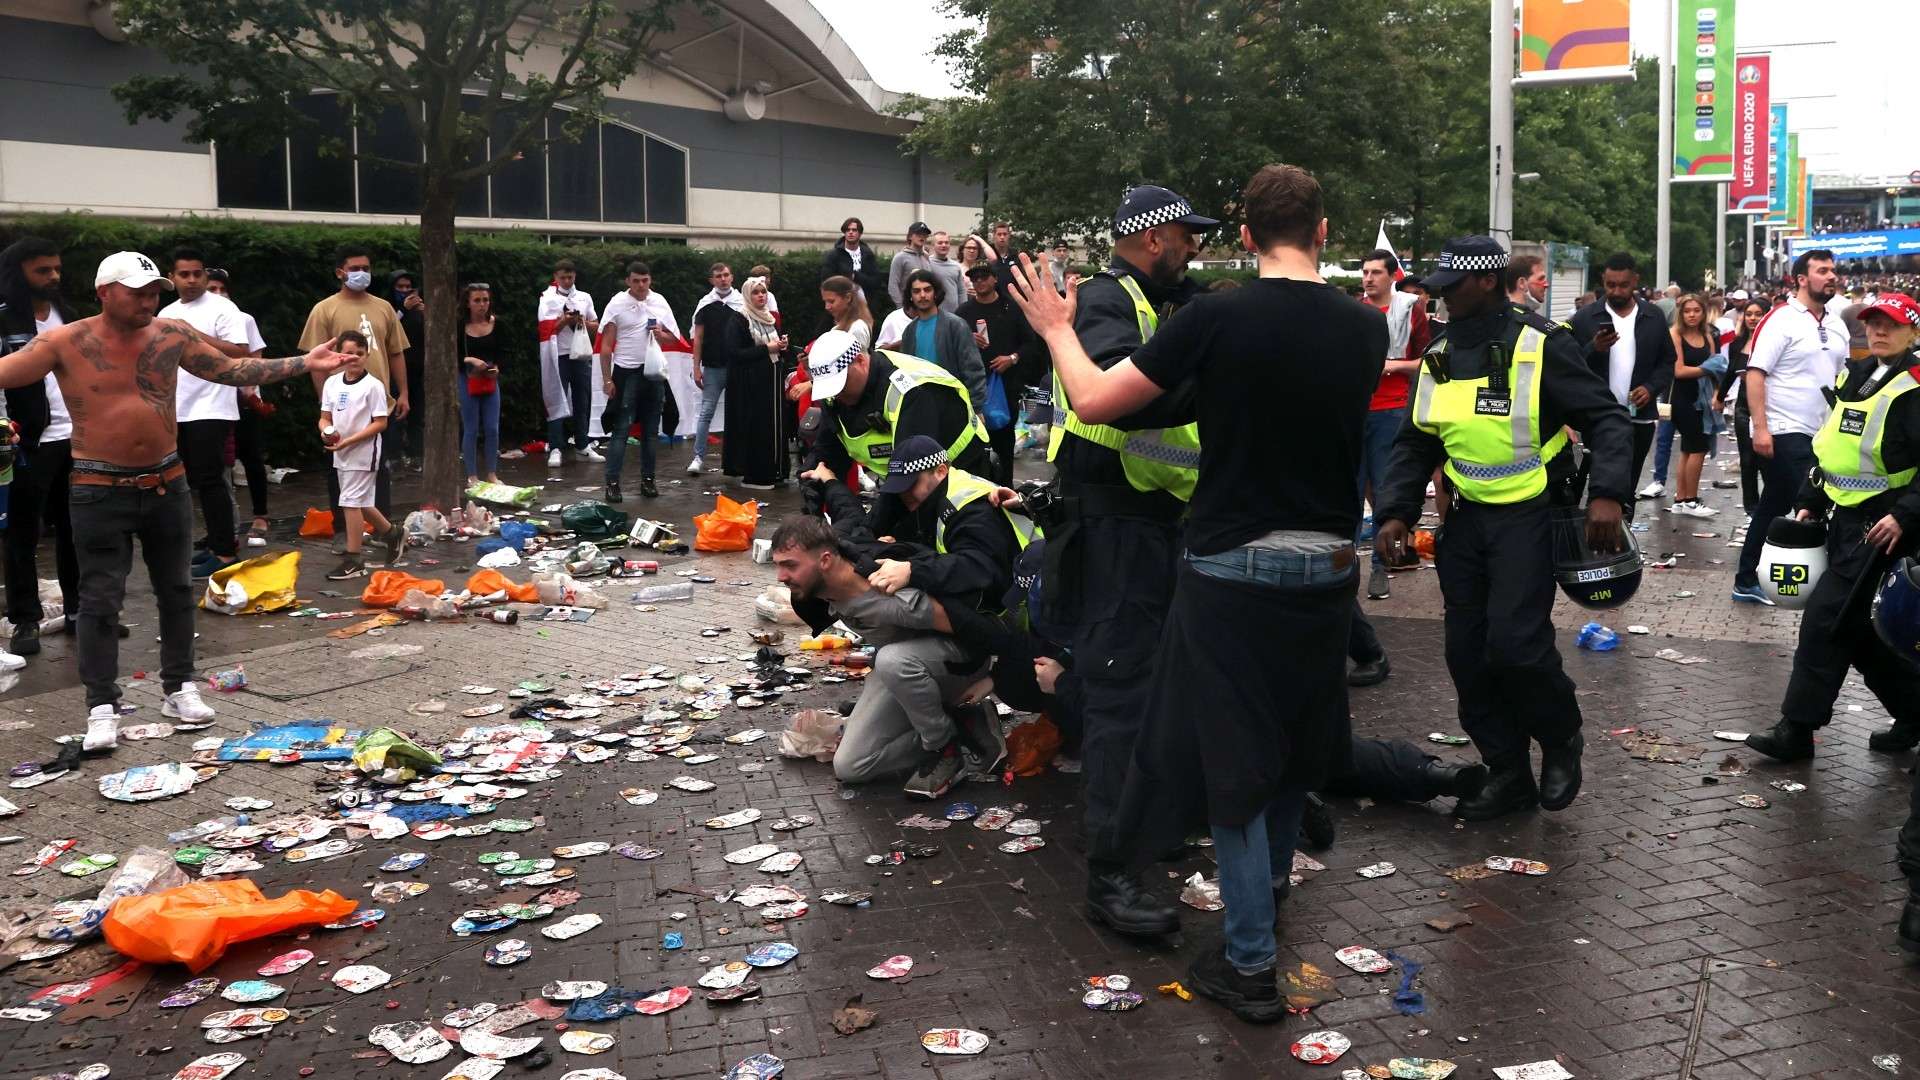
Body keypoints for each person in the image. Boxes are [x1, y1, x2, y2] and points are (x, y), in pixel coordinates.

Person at [1011, 163, 1378, 1023]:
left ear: (1247, 238)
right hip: (1328, 566)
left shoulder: (1213, 317)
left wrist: (1058, 328)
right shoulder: (1364, 327)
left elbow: (1098, 399)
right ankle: (1272, 894)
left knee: (1238, 766)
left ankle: (1249, 962)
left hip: (1232, 567)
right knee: (1294, 747)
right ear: (1323, 233)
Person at [0, 251, 348, 752]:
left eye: (153, 292)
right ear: (104, 292)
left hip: (166, 482)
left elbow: (231, 369)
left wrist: (305, 363)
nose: (149, 300)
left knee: (177, 590)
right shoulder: (65, 340)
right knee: (99, 600)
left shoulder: (171, 334)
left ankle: (179, 687)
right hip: (98, 489)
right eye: (138, 291)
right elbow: (9, 371)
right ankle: (101, 706)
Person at [1374, 236, 1633, 823]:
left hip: (1531, 513)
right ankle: (1508, 771)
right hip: (1466, 518)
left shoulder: (1542, 344)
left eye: (1450, 286)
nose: (1438, 298)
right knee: (1467, 654)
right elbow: (1418, 439)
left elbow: (1606, 419)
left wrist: (1609, 498)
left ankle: (1561, 734)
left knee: (1516, 645)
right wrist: (1396, 510)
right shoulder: (1439, 351)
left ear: (1486, 282)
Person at [1021, 184, 1207, 941]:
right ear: (1156, 237)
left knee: (1170, 684)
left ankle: (1159, 824)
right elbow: (1115, 391)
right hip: (1116, 529)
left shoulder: (1177, 299)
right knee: (1120, 699)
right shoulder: (1104, 300)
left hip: (1167, 523)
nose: (1197, 248)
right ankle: (1111, 875)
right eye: (1189, 236)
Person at [1742, 291, 1920, 775]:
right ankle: (1914, 711)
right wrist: (1807, 500)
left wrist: (1906, 515)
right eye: (1872, 323)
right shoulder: (1856, 376)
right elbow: (1832, 450)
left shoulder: (1915, 386)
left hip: (1886, 530)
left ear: (1913, 332)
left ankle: (1796, 730)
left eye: (1890, 325)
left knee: (1825, 621)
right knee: (1862, 633)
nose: (1878, 332)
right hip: (1844, 523)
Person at [769, 513, 996, 797]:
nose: (781, 577)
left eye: (790, 566)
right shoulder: (818, 589)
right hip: (904, 670)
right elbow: (846, 517)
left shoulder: (889, 596)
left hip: (957, 664)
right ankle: (962, 725)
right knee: (850, 766)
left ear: (825, 560)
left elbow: (978, 628)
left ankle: (945, 748)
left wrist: (994, 677)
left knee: (891, 660)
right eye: (778, 566)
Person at [1733, 249, 1848, 605]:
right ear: (1801, 279)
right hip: (1785, 430)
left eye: (1833, 270)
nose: (1832, 276)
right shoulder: (1780, 319)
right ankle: (1826, 582)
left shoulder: (1837, 324)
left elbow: (1841, 380)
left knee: (1773, 503)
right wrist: (1761, 428)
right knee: (1813, 497)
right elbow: (1755, 374)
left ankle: (1747, 578)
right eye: (1822, 271)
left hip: (1821, 433)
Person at [0, 237, 81, 663]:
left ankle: (77, 612)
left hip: (78, 437)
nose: (53, 277)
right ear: (19, 273)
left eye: (56, 269)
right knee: (22, 534)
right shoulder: (3, 319)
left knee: (77, 530)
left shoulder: (67, 316)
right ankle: (25, 620)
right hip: (28, 443)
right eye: (42, 270)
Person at [299, 244, 406, 554]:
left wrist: (404, 393)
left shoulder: (384, 307)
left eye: (367, 268)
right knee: (339, 471)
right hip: (342, 409)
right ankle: (346, 533)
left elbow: (396, 352)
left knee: (378, 471)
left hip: (378, 406)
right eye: (355, 268)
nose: (362, 273)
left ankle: (380, 531)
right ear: (340, 272)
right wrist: (326, 406)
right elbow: (314, 361)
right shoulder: (324, 309)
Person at [159, 248, 252, 579]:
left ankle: (227, 552)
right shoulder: (166, 312)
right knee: (187, 481)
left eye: (197, 273)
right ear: (172, 277)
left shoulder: (223, 307)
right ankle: (211, 543)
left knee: (212, 479)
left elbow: (240, 353)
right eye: (184, 274)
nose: (192, 280)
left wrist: (193, 335)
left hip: (212, 405)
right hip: (176, 407)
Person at [801, 327, 991, 480]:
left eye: (841, 384)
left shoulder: (909, 390)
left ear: (860, 360)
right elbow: (826, 454)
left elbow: (908, 478)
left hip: (963, 470)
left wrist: (867, 527)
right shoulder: (835, 394)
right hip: (907, 481)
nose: (837, 394)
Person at [1569, 253, 1675, 512]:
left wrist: (1650, 389)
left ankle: (1621, 541)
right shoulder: (1585, 318)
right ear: (1603, 281)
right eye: (1610, 285)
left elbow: (1667, 363)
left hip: (1638, 418)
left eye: (1623, 285)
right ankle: (1597, 538)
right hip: (1598, 417)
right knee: (1603, 485)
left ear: (1635, 281)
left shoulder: (1652, 317)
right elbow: (1568, 365)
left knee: (1627, 488)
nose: (1616, 291)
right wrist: (1593, 348)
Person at [1357, 247, 1430, 601]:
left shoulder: (1409, 309)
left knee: (1387, 491)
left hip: (1392, 411)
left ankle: (1380, 570)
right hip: (1355, 411)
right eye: (1365, 272)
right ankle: (1346, 572)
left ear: (1391, 276)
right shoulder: (1354, 311)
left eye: (1376, 273)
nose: (1368, 279)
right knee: (1351, 491)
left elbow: (1429, 362)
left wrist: (1393, 366)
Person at [320, 331, 406, 580]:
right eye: (348, 352)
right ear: (339, 355)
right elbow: (325, 417)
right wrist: (327, 432)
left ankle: (354, 559)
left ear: (367, 355)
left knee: (349, 502)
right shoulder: (332, 383)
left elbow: (380, 422)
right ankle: (393, 534)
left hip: (364, 452)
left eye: (360, 353)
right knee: (361, 502)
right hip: (341, 452)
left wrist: (349, 440)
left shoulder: (374, 386)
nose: (354, 358)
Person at [203, 269, 272, 548]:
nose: (217, 294)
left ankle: (260, 516)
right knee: (218, 467)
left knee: (251, 456)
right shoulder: (189, 321)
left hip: (242, 399)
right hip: (211, 403)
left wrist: (250, 395)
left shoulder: (243, 320)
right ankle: (221, 528)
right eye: (212, 288)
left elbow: (255, 359)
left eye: (221, 288)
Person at [599, 262, 678, 501]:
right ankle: (612, 483)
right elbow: (605, 345)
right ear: (628, 282)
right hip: (627, 372)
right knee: (621, 430)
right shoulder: (617, 303)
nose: (641, 285)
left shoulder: (660, 302)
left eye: (645, 280)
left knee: (651, 432)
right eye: (636, 281)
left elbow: (674, 339)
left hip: (653, 373)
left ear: (650, 280)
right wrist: (607, 379)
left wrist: (659, 335)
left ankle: (648, 480)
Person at [957, 263, 1040, 485]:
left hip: (1006, 385)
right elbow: (952, 345)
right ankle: (979, 488)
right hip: (973, 387)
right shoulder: (964, 312)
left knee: (1004, 441)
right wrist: (967, 338)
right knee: (975, 443)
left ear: (995, 279)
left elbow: (1031, 344)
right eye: (975, 279)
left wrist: (1011, 359)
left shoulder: (1010, 308)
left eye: (984, 277)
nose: (980, 282)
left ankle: (1006, 488)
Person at [720, 277, 787, 489]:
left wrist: (782, 346)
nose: (761, 296)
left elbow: (772, 347)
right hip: (748, 385)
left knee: (773, 426)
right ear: (748, 296)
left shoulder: (769, 318)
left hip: (770, 381)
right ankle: (756, 474)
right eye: (756, 292)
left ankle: (777, 470)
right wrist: (767, 348)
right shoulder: (739, 319)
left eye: (764, 292)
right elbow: (734, 352)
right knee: (756, 427)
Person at [536, 258, 602, 469]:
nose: (566, 280)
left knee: (582, 399)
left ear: (575, 277)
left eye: (570, 277)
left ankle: (583, 443)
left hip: (580, 354)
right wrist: (565, 320)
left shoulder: (584, 297)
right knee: (556, 398)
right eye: (562, 277)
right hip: (558, 355)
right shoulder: (547, 298)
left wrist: (581, 321)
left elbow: (596, 325)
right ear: (555, 277)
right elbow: (545, 328)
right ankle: (556, 446)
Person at [897, 270, 988, 409]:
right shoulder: (909, 331)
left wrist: (976, 408)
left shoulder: (956, 325)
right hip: (920, 406)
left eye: (927, 290)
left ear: (935, 293)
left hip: (954, 405)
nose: (922, 295)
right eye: (916, 291)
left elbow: (973, 369)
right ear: (910, 296)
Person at [1664, 294, 1719, 517]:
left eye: (1696, 310)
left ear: (1703, 312)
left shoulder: (1707, 334)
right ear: (1681, 313)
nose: (1692, 315)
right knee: (1698, 447)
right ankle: (1691, 500)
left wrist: (1717, 393)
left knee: (1688, 449)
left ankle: (1680, 499)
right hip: (1682, 398)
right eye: (1687, 311)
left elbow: (1718, 367)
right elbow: (1679, 370)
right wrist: (1708, 368)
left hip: (1703, 398)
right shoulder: (1675, 334)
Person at [687, 262, 741, 475]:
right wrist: (696, 367)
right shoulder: (705, 304)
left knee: (739, 413)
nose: (723, 279)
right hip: (713, 366)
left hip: (738, 366)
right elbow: (697, 338)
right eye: (718, 276)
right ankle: (698, 457)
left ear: (732, 277)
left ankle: (738, 457)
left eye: (726, 275)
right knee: (706, 411)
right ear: (712, 280)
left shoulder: (741, 302)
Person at [1725, 297, 1770, 513]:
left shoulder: (1772, 342)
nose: (1753, 318)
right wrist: (1719, 396)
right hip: (1742, 406)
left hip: (1768, 406)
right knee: (1747, 460)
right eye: (1749, 314)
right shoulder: (1737, 342)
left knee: (1768, 461)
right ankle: (1751, 508)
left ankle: (1771, 506)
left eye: (1757, 314)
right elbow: (1730, 371)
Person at [458, 283, 506, 487]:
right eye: (477, 300)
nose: (482, 304)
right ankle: (472, 475)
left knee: (492, 427)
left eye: (485, 300)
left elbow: (504, 352)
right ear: (468, 303)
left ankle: (492, 473)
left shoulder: (497, 324)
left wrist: (497, 368)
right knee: (471, 428)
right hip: (467, 378)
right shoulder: (460, 326)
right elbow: (453, 355)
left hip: (489, 379)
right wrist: (470, 361)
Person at [388, 270, 427, 467]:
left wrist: (425, 312)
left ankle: (416, 455)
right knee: (394, 414)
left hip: (417, 369)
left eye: (407, 288)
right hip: (394, 370)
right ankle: (393, 457)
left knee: (417, 414)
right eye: (400, 287)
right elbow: (385, 328)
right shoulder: (389, 309)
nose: (404, 291)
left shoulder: (418, 311)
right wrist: (403, 309)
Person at [822, 217, 886, 304]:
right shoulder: (834, 255)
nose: (850, 232)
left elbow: (876, 281)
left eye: (854, 230)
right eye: (848, 230)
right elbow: (827, 281)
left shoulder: (867, 254)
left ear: (860, 233)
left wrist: (855, 276)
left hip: (864, 304)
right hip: (841, 304)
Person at [887, 222, 935, 309]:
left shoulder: (927, 258)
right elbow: (892, 286)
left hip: (926, 309)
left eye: (924, 234)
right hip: (908, 309)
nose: (922, 236)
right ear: (910, 236)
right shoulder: (900, 257)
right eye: (918, 234)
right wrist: (902, 308)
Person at [927, 232, 965, 314]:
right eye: (940, 243)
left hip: (955, 314)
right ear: (933, 245)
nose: (944, 245)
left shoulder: (956, 266)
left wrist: (964, 310)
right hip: (935, 313)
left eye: (946, 243)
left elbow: (961, 291)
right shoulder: (927, 263)